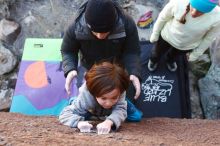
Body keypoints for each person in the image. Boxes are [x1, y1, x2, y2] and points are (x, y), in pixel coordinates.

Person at [61, 0, 141, 100]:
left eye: (105, 32)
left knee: (122, 98)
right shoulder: (75, 27)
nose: (100, 36)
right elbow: (68, 50)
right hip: (91, 67)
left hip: (117, 67)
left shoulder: (127, 24)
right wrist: (70, 69)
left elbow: (132, 51)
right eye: (95, 32)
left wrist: (133, 71)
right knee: (90, 97)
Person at [147, 0, 220, 72]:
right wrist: (155, 33)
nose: (194, 12)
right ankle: (154, 60)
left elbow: (209, 38)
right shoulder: (178, 2)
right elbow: (162, 18)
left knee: (174, 56)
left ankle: (170, 60)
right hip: (166, 37)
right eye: (193, 6)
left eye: (201, 11)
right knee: (156, 52)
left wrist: (196, 54)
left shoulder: (217, 17)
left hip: (186, 46)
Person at [59, 62, 130, 135]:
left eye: (114, 97)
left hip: (113, 108)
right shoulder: (86, 96)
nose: (109, 103)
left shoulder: (119, 88)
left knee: (135, 116)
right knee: (82, 113)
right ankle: (74, 101)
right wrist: (78, 122)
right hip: (90, 109)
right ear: (93, 93)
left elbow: (121, 110)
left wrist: (109, 122)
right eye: (103, 98)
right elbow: (64, 114)